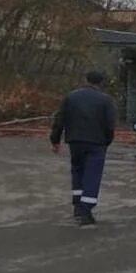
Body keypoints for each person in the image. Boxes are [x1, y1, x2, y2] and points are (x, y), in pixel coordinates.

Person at [50, 71, 117, 227]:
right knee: (92, 175)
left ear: (85, 80)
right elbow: (110, 125)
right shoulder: (106, 100)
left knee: (77, 171)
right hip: (96, 143)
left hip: (75, 141)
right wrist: (107, 141)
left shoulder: (71, 97)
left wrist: (55, 139)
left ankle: (77, 207)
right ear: (101, 83)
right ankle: (86, 210)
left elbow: (60, 119)